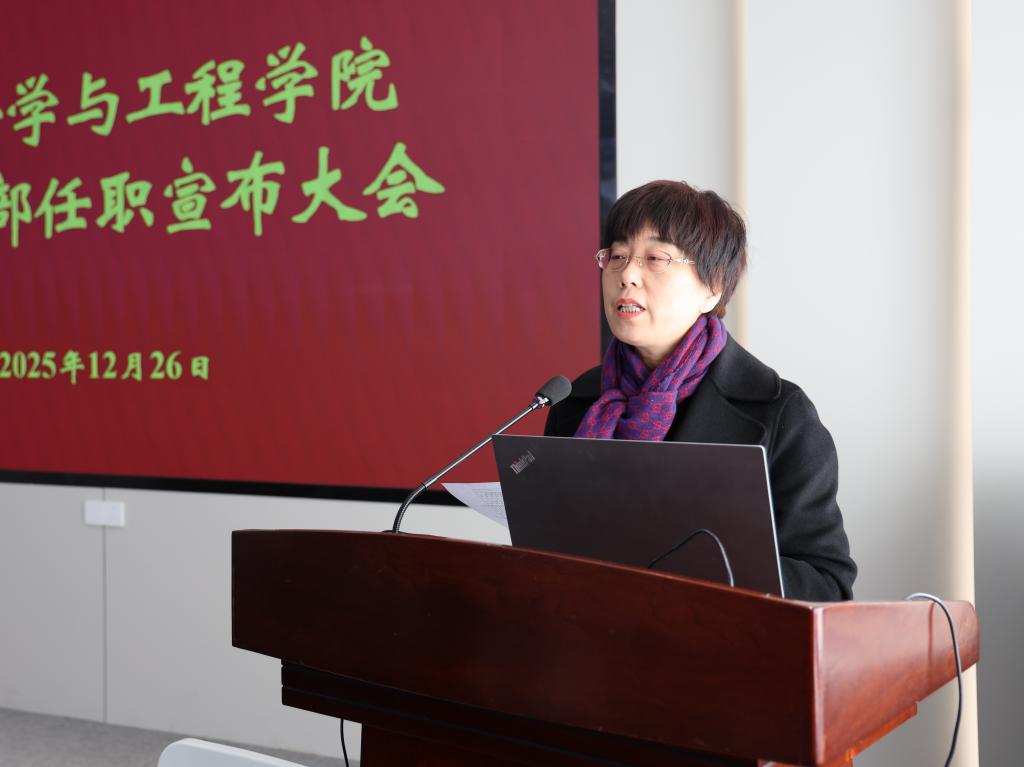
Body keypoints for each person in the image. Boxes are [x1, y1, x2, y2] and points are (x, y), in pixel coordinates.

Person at [544, 180, 856, 602]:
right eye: (616, 256)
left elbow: (827, 586)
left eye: (655, 258)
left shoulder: (780, 414)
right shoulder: (576, 402)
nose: (627, 275)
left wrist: (698, 562)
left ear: (713, 288)